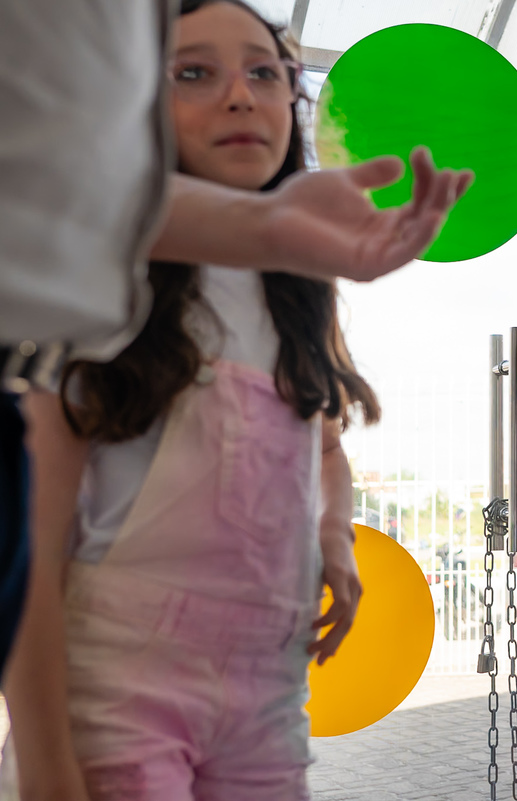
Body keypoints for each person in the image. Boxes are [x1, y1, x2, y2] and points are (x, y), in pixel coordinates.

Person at [0, 0, 470, 681]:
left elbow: (323, 442)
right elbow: (36, 549)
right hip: (115, 688)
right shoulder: (94, 291)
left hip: (267, 689)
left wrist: (332, 535)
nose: (239, 97)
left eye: (265, 73)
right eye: (191, 72)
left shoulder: (298, 286)